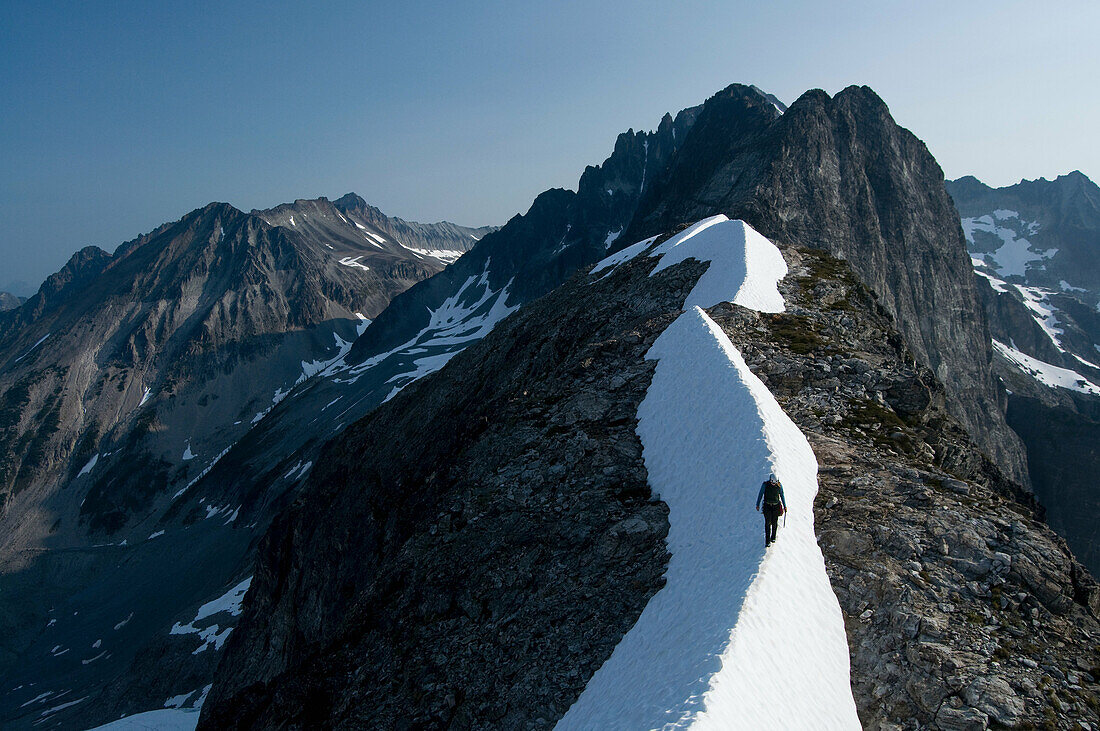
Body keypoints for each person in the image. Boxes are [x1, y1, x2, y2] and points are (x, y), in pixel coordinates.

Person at [756, 473, 787, 547]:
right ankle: (767, 541)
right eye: (773, 482)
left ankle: (773, 537)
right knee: (767, 523)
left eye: (775, 483)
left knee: (774, 522)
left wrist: (785, 506)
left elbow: (782, 495)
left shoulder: (779, 486)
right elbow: (760, 494)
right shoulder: (765, 485)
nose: (774, 484)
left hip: (776, 506)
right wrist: (757, 504)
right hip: (767, 506)